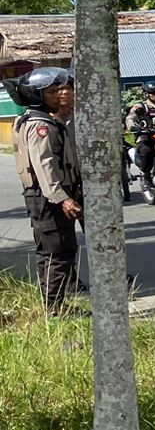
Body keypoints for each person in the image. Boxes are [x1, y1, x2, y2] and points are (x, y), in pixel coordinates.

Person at [10, 68, 82, 307]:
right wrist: (62, 198)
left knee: (55, 251)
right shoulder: (40, 126)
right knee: (56, 252)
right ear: (37, 95)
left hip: (45, 196)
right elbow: (45, 166)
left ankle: (57, 303)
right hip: (48, 198)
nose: (58, 95)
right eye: (51, 92)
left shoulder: (37, 119)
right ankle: (55, 308)